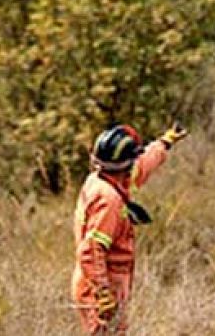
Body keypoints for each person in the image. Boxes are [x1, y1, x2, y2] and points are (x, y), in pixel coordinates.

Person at [71, 123, 188, 333]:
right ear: (125, 165)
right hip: (100, 286)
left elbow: (143, 165)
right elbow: (92, 249)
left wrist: (164, 143)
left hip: (98, 282)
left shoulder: (102, 179)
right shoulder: (109, 200)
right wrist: (103, 293)